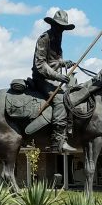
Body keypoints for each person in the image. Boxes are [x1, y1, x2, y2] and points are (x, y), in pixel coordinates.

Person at [32, 9, 79, 154]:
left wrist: (64, 63)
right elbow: (40, 64)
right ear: (53, 25)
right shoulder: (44, 38)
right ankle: (58, 141)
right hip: (41, 79)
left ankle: (70, 128)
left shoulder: (58, 39)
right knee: (60, 99)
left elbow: (54, 61)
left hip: (53, 77)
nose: (61, 30)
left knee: (74, 90)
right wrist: (57, 76)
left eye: (63, 28)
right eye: (59, 26)